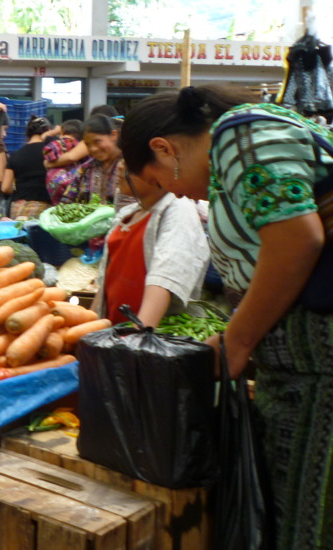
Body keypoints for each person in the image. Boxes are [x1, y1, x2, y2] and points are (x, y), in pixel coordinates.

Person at [120, 84, 331, 549]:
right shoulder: (233, 156)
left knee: (305, 525)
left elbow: (298, 239)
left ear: (164, 149)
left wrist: (237, 340)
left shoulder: (238, 133)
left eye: (158, 181)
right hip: (299, 373)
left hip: (321, 377)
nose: (172, 192)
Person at [92, 162, 209, 325]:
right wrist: (90, 325)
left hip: (145, 339)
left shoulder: (179, 212)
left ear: (159, 169)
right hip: (113, 335)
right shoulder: (128, 214)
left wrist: (138, 336)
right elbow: (107, 281)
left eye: (129, 161)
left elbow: (166, 279)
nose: (119, 166)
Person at [55, 115, 129, 206]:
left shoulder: (130, 166)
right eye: (88, 144)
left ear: (113, 135)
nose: (93, 149)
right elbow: (67, 201)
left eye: (97, 141)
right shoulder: (86, 169)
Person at [5, 115, 56, 219]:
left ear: (28, 134)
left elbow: (5, 187)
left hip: (17, 209)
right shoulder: (50, 154)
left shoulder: (15, 155)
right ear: (48, 132)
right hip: (43, 208)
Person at [43, 119, 85, 204]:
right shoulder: (79, 145)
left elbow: (43, 137)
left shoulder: (54, 144)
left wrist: (48, 163)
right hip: (73, 187)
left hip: (54, 185)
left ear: (62, 133)